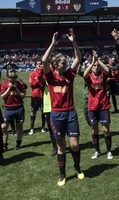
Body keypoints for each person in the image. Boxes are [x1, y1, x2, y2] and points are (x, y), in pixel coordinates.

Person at [42, 29, 84, 186]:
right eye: (63, 62)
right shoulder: (51, 76)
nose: (66, 63)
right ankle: (62, 174)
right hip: (56, 115)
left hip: (70, 113)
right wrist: (52, 44)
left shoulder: (70, 75)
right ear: (55, 65)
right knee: (61, 147)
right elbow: (44, 61)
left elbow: (78, 57)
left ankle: (77, 168)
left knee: (74, 144)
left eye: (66, 62)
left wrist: (74, 42)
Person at [84, 50, 113, 160]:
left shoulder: (103, 76)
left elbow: (107, 69)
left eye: (97, 66)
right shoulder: (89, 77)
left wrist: (98, 60)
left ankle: (109, 151)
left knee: (106, 130)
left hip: (104, 106)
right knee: (94, 130)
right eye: (94, 66)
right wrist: (92, 62)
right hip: (92, 107)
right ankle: (97, 151)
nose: (96, 67)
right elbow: (85, 74)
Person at [0, 68, 26, 151]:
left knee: (19, 126)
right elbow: (2, 96)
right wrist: (9, 88)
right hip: (8, 108)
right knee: (4, 127)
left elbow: (22, 96)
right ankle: (4, 145)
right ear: (8, 78)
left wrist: (16, 88)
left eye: (14, 77)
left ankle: (18, 144)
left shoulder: (21, 84)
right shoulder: (4, 85)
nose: (12, 79)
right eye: (11, 78)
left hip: (19, 108)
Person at [28, 59, 46, 135]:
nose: (39, 65)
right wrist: (38, 81)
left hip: (43, 96)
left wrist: (39, 81)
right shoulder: (32, 74)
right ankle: (32, 128)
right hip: (34, 97)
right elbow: (31, 84)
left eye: (40, 64)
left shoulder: (44, 74)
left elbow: (44, 84)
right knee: (33, 113)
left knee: (43, 113)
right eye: (37, 64)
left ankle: (43, 127)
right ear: (35, 65)